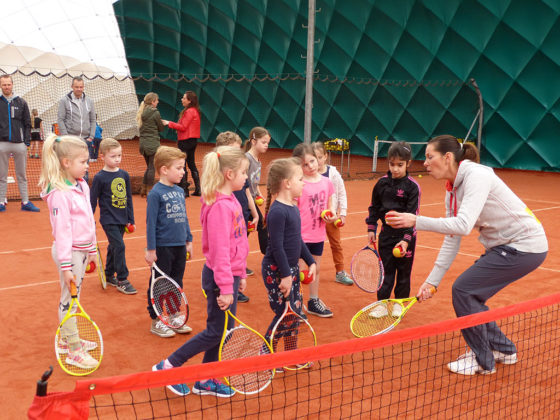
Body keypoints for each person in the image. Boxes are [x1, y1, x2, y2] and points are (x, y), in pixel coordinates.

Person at [386, 135, 548, 375]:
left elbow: (462, 225)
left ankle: (482, 360)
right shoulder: (451, 189)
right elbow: (453, 238)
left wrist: (415, 221)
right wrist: (432, 281)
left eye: (430, 157)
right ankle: (503, 349)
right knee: (470, 294)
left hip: (524, 245)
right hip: (507, 247)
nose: (425, 163)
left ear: (448, 157)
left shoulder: (477, 175)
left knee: (463, 290)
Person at [152, 146, 249, 397]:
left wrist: (240, 276)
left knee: (224, 331)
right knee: (216, 331)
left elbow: (238, 245)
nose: (246, 177)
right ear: (228, 174)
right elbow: (220, 252)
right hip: (219, 279)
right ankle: (168, 366)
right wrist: (227, 286)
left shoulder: (231, 201)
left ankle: (207, 377)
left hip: (229, 276)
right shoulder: (219, 207)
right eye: (243, 172)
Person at [39, 134, 98, 369]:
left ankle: (66, 338)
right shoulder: (59, 194)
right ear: (66, 163)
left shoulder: (81, 184)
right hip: (69, 255)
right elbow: (62, 232)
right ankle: (73, 349)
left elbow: (88, 220)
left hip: (82, 252)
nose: (87, 165)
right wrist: (66, 267)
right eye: (83, 161)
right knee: (70, 300)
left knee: (75, 299)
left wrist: (92, 250)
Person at [262, 158, 316, 346]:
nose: (304, 183)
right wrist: (285, 275)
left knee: (295, 313)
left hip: (290, 270)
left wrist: (311, 261)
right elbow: (277, 247)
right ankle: (267, 351)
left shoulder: (293, 207)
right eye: (300, 179)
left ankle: (291, 356)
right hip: (276, 271)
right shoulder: (277, 212)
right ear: (287, 183)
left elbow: (297, 240)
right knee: (284, 314)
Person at [365, 141, 420, 317]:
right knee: (386, 271)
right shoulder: (381, 184)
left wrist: (405, 240)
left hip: (406, 237)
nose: (395, 169)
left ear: (408, 163)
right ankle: (382, 304)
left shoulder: (413, 187)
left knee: (404, 273)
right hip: (386, 235)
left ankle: (399, 303)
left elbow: (413, 216)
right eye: (392, 164)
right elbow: (374, 207)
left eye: (400, 165)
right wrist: (371, 228)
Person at [145, 146, 194, 338]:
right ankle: (157, 319)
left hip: (179, 245)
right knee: (159, 283)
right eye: (179, 168)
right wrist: (151, 249)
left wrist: (188, 238)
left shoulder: (180, 192)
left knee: (176, 281)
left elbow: (184, 217)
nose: (183, 172)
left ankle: (173, 314)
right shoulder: (156, 194)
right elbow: (150, 223)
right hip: (163, 246)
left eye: (183, 168)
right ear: (164, 169)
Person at [292, 143, 336, 317]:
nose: (310, 166)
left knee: (315, 268)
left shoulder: (327, 182)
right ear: (299, 167)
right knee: (299, 270)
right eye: (305, 164)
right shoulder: (298, 184)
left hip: (318, 234)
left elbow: (331, 207)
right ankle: (295, 303)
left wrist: (331, 215)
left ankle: (313, 300)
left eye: (312, 161)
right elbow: (293, 209)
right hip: (301, 236)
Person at [216, 131, 258, 303]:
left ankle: (236, 279)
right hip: (228, 219)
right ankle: (223, 287)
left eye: (238, 149)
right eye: (232, 150)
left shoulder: (240, 175)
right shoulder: (219, 180)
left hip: (241, 215)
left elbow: (248, 193)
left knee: (239, 248)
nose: (236, 153)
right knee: (226, 251)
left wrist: (254, 213)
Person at [90, 138, 137, 295]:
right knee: (119, 246)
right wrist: (89, 220)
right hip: (108, 220)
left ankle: (109, 274)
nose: (117, 159)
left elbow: (128, 198)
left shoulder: (124, 175)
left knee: (113, 246)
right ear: (102, 157)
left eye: (119, 155)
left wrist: (131, 219)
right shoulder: (99, 178)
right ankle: (123, 279)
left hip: (122, 219)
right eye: (113, 156)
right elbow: (92, 201)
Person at [312, 141, 353, 286]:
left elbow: (341, 193)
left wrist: (343, 213)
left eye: (319, 157)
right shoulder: (310, 174)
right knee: (308, 245)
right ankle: (304, 271)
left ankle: (340, 272)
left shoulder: (333, 174)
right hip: (313, 219)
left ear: (325, 157)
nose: (317, 161)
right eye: (314, 157)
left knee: (336, 244)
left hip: (331, 217)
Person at [0, 74, 40, 212]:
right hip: (2, 143)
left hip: (19, 144)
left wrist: (26, 142)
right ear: (1, 86)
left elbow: (27, 123)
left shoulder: (21, 102)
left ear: (12, 84)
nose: (6, 86)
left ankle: (25, 202)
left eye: (8, 84)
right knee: (1, 174)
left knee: (22, 174)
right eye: (4, 84)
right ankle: (1, 202)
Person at [57, 76, 96, 183]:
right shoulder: (64, 101)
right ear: (72, 87)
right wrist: (66, 137)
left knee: (84, 169)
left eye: (81, 87)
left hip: (85, 140)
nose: (79, 89)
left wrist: (91, 136)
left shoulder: (89, 101)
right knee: (69, 168)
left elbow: (93, 120)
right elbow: (60, 120)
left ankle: (83, 194)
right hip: (70, 141)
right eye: (76, 87)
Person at [163, 90, 201, 197]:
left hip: (185, 141)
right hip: (192, 141)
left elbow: (183, 127)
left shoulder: (189, 112)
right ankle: (198, 189)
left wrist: (168, 123)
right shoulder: (195, 111)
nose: (182, 99)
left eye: (184, 98)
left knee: (182, 164)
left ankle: (184, 190)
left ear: (189, 101)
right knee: (191, 163)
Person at [137, 92, 164, 197]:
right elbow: (160, 128)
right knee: (152, 167)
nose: (157, 102)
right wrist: (162, 123)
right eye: (156, 100)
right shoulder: (155, 113)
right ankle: (149, 191)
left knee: (149, 167)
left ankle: (143, 189)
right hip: (152, 143)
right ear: (153, 102)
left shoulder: (141, 112)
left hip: (143, 144)